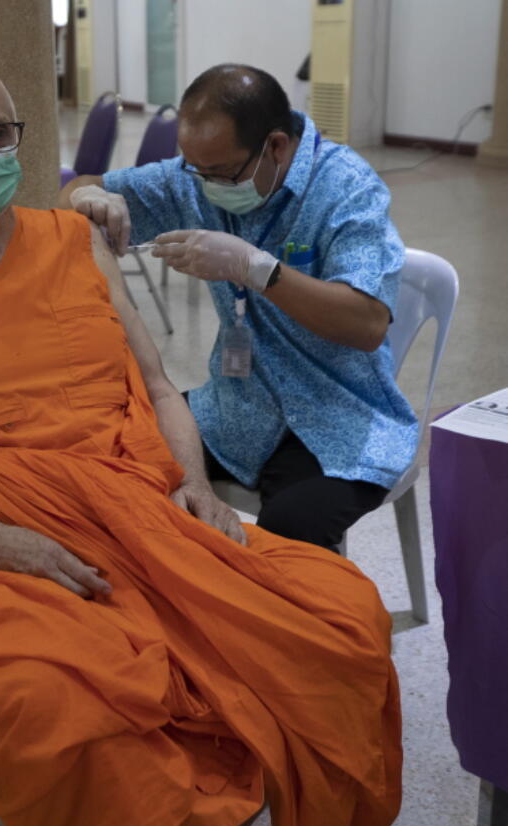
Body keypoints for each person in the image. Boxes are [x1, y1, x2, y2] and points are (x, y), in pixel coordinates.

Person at [0, 63, 401, 826]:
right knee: (53, 704)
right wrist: (7, 545)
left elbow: (154, 388)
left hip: (149, 495)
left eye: (0, 134)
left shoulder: (74, 246)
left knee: (342, 614)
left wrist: (195, 487)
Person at [59, 64, 414, 553]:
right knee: (111, 452)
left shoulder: (346, 188)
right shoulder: (196, 175)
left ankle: (300, 625)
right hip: (235, 406)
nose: (206, 185)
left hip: (339, 414)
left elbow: (367, 323)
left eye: (222, 173)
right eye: (196, 170)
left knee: (292, 530)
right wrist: (88, 196)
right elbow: (77, 191)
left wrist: (257, 269)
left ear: (276, 146)